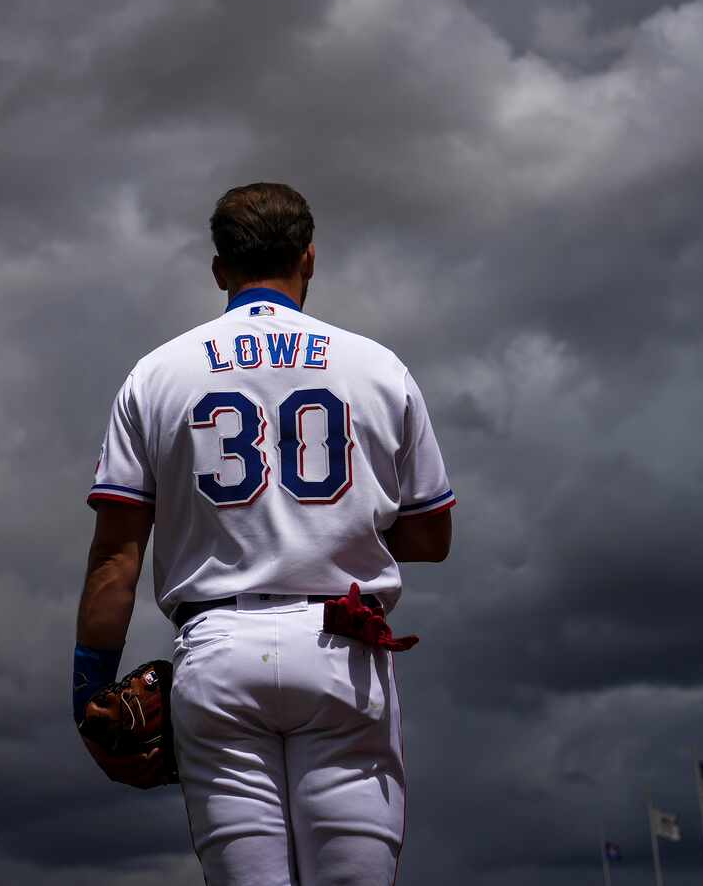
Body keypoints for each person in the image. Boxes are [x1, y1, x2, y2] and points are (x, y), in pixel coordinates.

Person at [73, 182, 455, 885]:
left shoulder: (156, 373)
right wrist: (329, 530)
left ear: (219, 269)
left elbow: (116, 557)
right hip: (340, 646)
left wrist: (87, 687)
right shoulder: (376, 366)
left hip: (217, 651)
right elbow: (432, 535)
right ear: (308, 257)